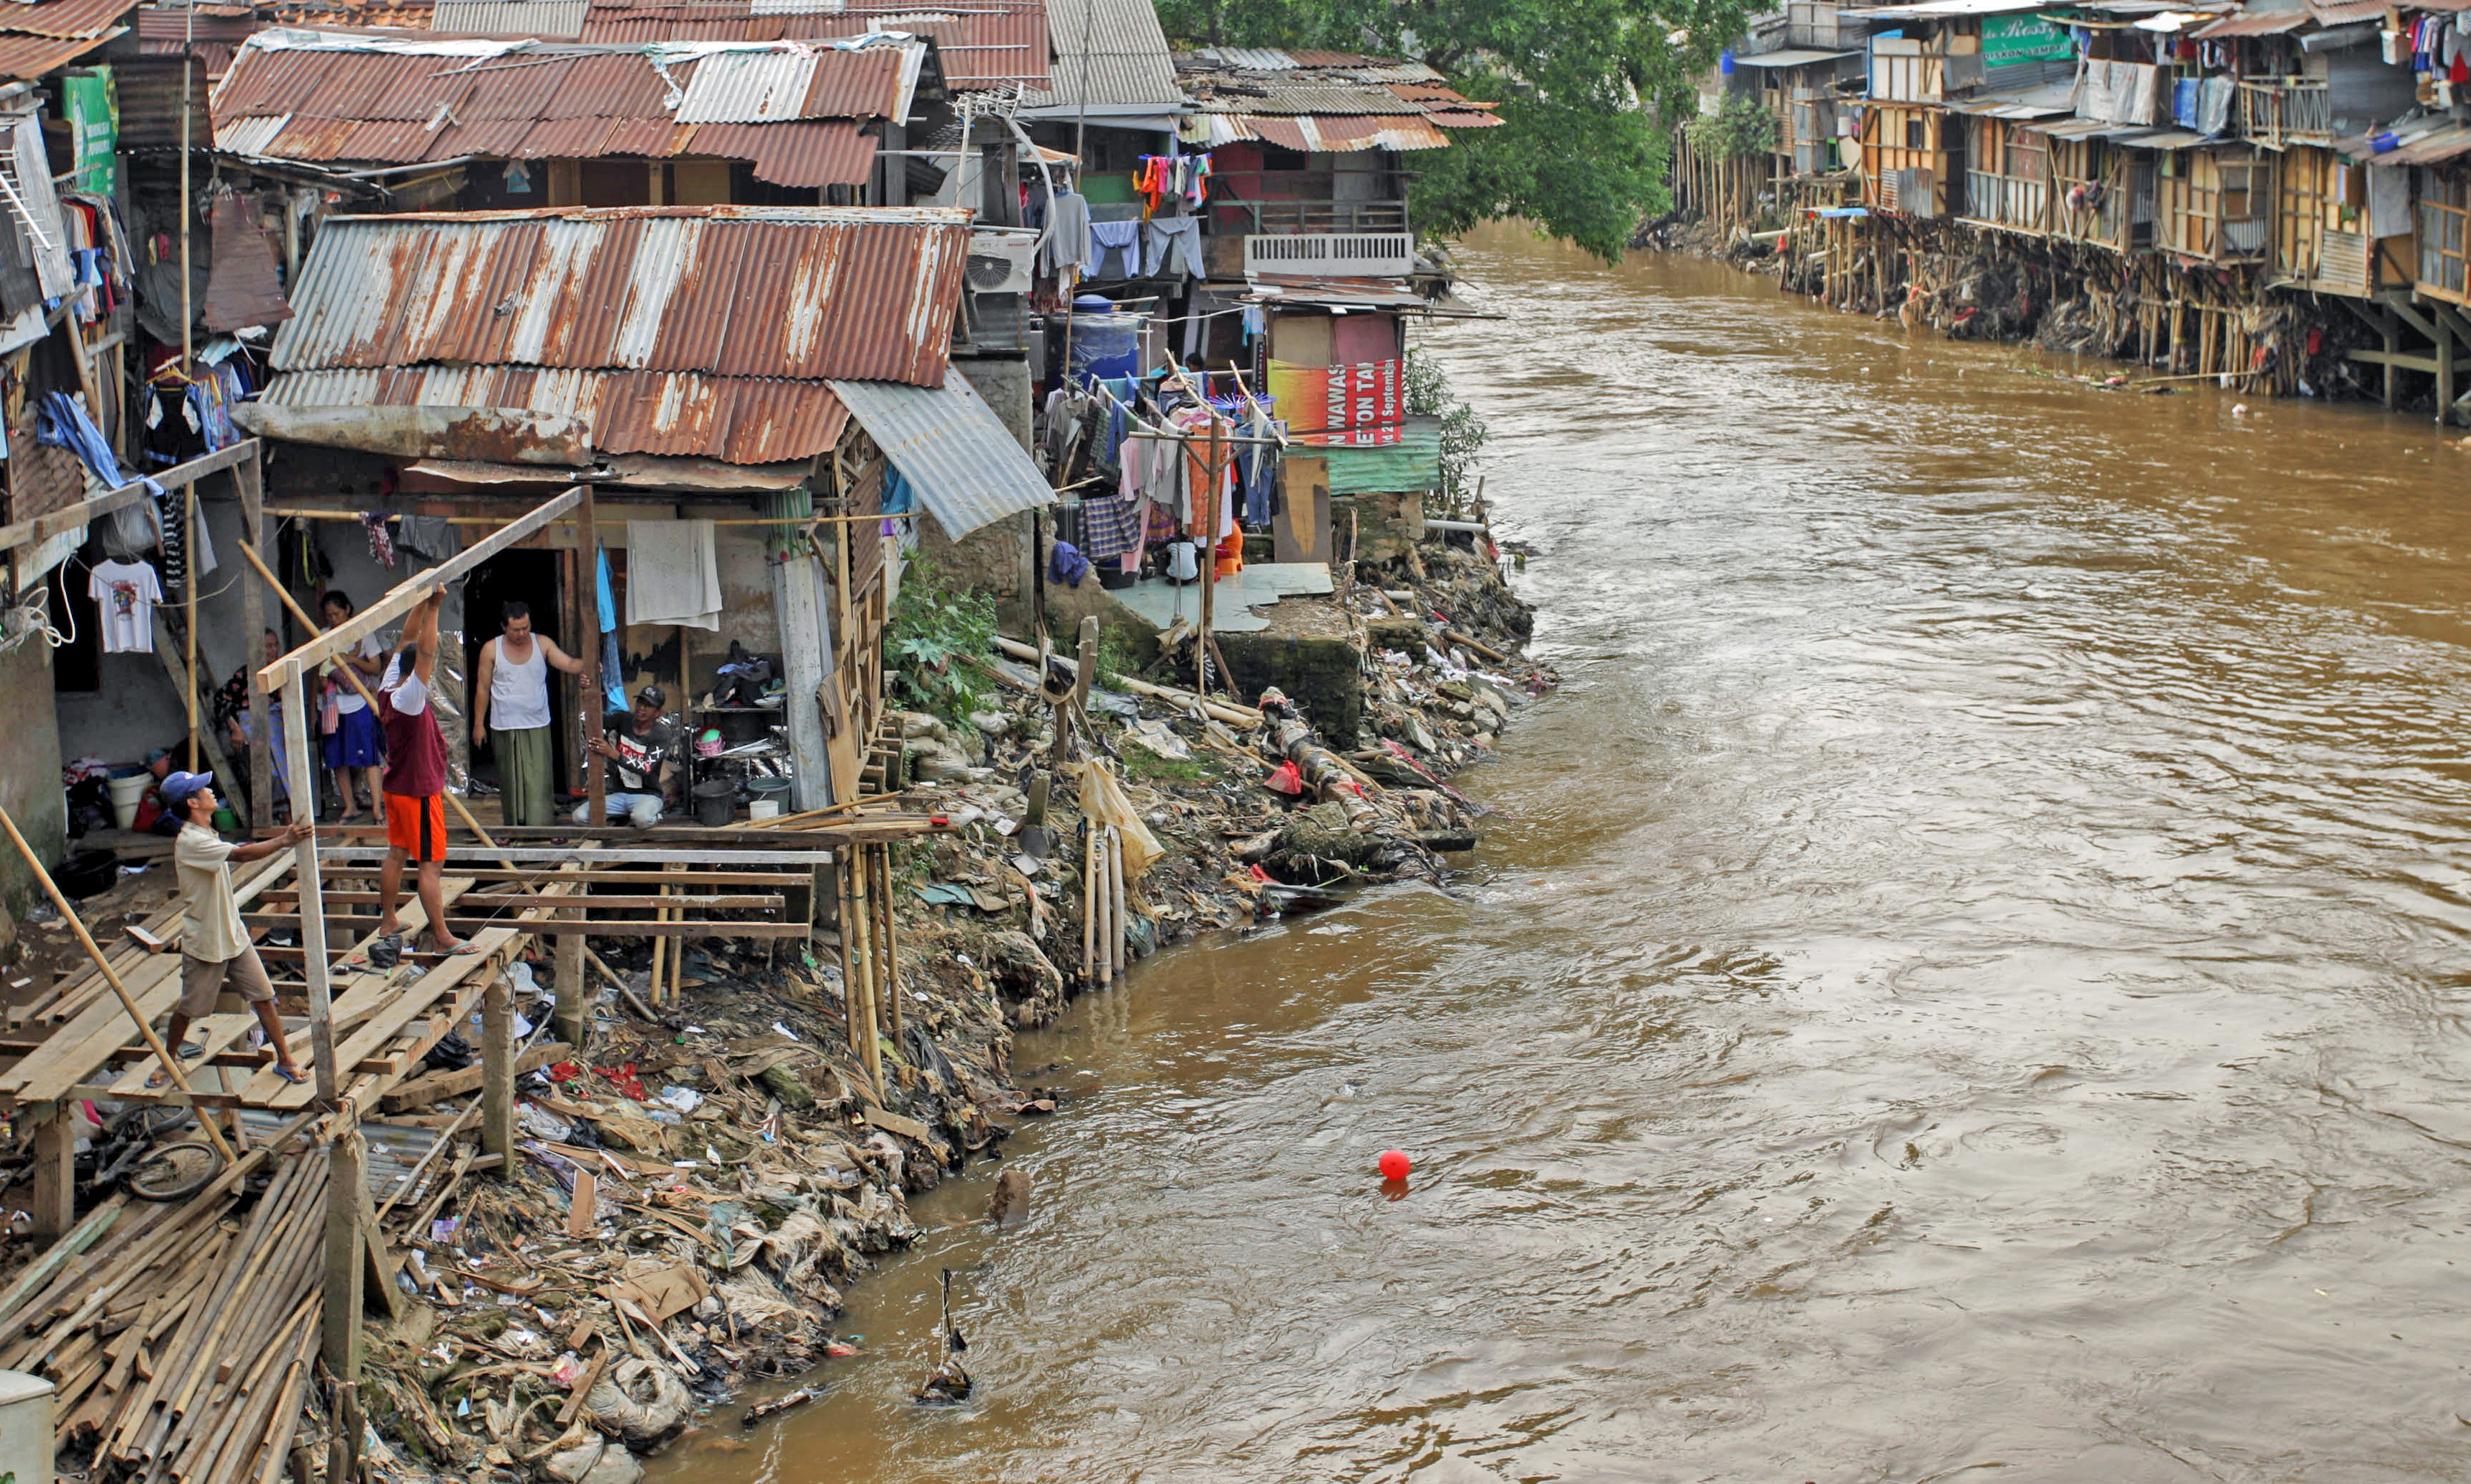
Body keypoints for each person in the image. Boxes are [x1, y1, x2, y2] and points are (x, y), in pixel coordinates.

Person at [151, 771, 310, 1088]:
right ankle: (168, 1060)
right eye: (202, 789)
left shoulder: (206, 831)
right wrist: (285, 840)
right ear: (193, 802)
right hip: (207, 941)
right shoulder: (191, 841)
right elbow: (240, 855)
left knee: (264, 996)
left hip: (233, 933)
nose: (211, 791)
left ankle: (286, 1059)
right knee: (190, 1009)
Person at [373, 589, 474, 956]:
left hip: (397, 789)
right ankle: (444, 937)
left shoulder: (388, 685)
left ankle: (388, 920)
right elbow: (426, 651)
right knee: (431, 866)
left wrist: (419, 600)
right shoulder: (410, 698)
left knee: (397, 853)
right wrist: (435, 606)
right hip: (418, 793)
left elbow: (408, 639)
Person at [470, 600, 585, 827]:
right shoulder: (491, 649)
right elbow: (482, 688)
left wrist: (590, 664)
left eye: (526, 627)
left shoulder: (542, 644)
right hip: (504, 725)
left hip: (537, 723)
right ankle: (515, 827)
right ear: (504, 627)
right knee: (511, 781)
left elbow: (569, 664)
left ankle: (542, 826)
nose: (522, 633)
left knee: (539, 779)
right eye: (516, 629)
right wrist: (478, 724)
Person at [318, 590, 388, 825]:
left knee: (369, 758)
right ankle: (350, 807)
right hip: (334, 707)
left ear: (347, 609)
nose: (333, 619)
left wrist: (351, 660)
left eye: (337, 613)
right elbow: (320, 678)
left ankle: (378, 809)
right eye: (329, 615)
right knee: (338, 759)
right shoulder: (323, 637)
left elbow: (375, 668)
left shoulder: (363, 633)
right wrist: (325, 677)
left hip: (360, 703)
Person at [581, 685, 680, 828]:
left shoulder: (661, 733)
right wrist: (587, 690)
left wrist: (612, 753)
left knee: (642, 819)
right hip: (620, 795)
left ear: (658, 713)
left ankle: (654, 817)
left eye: (649, 706)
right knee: (580, 817)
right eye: (640, 702)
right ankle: (620, 819)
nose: (642, 708)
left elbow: (646, 768)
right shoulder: (624, 719)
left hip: (649, 795)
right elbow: (594, 719)